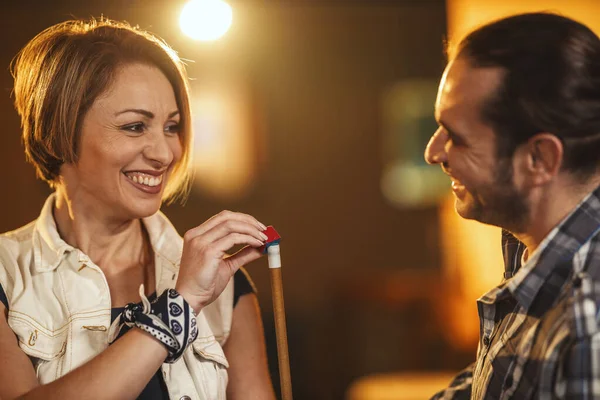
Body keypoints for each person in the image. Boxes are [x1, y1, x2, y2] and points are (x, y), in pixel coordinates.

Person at [0, 18, 275, 400]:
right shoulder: (5, 273)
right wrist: (177, 310)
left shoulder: (225, 284)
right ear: (59, 130)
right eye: (134, 127)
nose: (165, 153)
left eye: (171, 127)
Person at [425, 12, 600, 399]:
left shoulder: (588, 326)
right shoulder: (531, 248)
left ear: (539, 158)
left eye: (456, 136)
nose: (432, 152)